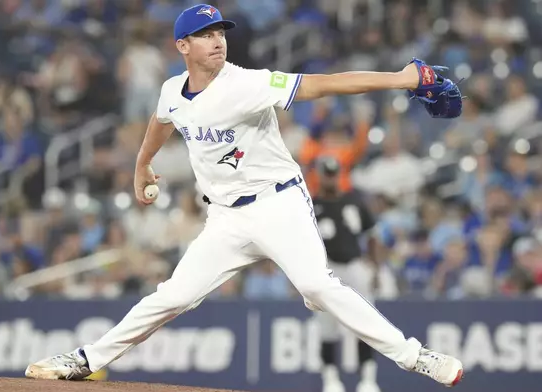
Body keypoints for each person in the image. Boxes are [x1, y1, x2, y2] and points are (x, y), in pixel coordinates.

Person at [25, 4, 464, 388]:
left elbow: (324, 83)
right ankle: (86, 360)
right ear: (182, 46)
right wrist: (142, 163)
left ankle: (415, 357)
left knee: (315, 285)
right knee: (173, 295)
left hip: (278, 203)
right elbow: (161, 121)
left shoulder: (246, 84)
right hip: (226, 220)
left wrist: (402, 77)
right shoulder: (171, 92)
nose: (217, 41)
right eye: (205, 35)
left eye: (220, 33)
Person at [311, 156, 385, 392]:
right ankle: (331, 380)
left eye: (334, 173)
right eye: (327, 173)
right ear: (320, 175)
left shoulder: (353, 201)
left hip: (355, 266)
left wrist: (375, 268)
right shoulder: (310, 205)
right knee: (327, 325)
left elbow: (372, 234)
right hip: (327, 268)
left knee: (366, 322)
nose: (330, 178)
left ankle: (368, 379)